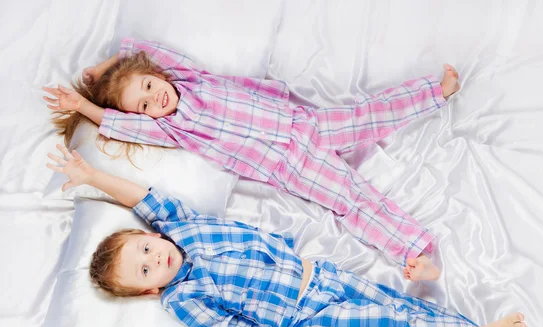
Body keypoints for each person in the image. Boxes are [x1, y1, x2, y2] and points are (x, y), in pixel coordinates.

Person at [46, 144, 528, 327]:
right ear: (149, 289)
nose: (156, 259)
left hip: (318, 275)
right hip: (305, 317)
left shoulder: (178, 227)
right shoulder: (182, 299)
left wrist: (92, 174)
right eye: (146, 270)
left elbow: (144, 196)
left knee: (396, 306)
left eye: (146, 248)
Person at [43, 38, 462, 280]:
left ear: (159, 75)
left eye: (150, 86)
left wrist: (100, 71)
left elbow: (136, 48)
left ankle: (434, 92)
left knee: (366, 114)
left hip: (305, 123)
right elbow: (120, 124)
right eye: (146, 104)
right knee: (352, 199)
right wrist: (84, 103)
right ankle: (412, 252)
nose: (156, 98)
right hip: (290, 165)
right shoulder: (172, 128)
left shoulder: (189, 78)